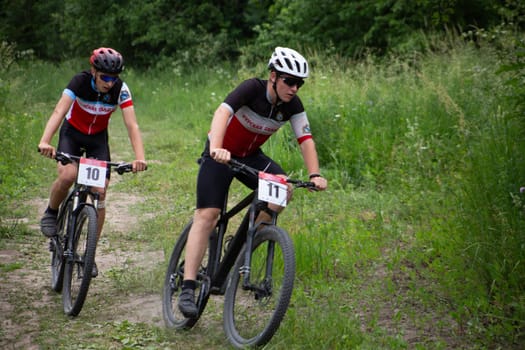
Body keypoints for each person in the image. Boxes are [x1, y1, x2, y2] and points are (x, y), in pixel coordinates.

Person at [178, 46, 328, 317]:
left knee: (284, 190)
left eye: (299, 84)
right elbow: (222, 113)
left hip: (250, 157)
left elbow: (306, 140)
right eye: (289, 81)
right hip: (220, 153)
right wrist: (217, 147)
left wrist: (315, 174)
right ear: (273, 76)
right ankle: (188, 286)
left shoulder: (292, 106)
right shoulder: (251, 89)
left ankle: (247, 241)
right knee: (208, 215)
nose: (294, 88)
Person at [38, 47, 147, 277]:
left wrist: (140, 158)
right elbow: (59, 110)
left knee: (100, 190)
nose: (109, 83)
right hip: (72, 134)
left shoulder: (120, 89)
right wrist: (45, 141)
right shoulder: (79, 81)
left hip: (97, 139)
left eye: (114, 78)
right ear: (93, 71)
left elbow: (132, 125)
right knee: (68, 175)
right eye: (105, 77)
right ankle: (51, 212)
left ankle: (89, 254)